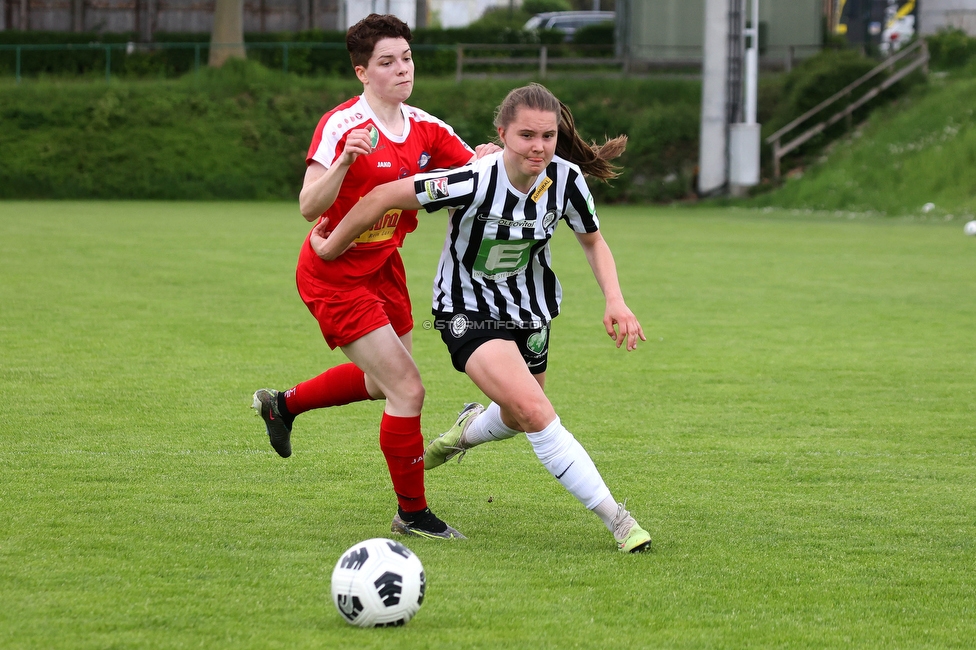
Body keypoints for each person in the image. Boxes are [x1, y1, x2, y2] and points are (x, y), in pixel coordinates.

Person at [309, 83, 653, 553]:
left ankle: (465, 431)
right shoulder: (469, 179)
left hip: (529, 310)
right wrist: (330, 246)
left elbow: (592, 239)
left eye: (547, 136)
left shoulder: (567, 180)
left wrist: (615, 300)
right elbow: (384, 195)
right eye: (526, 135)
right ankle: (618, 519)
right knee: (535, 412)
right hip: (465, 312)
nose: (538, 146)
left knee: (515, 415)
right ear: (502, 134)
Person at [252, 14, 496, 541]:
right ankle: (412, 513)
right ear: (363, 72)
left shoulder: (427, 128)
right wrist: (342, 162)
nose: (401, 69)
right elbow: (306, 205)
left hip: (384, 267)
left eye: (406, 58)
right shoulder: (343, 124)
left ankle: (282, 404)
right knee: (407, 389)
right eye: (387, 62)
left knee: (376, 382)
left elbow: (476, 172)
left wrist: (490, 156)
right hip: (333, 272)